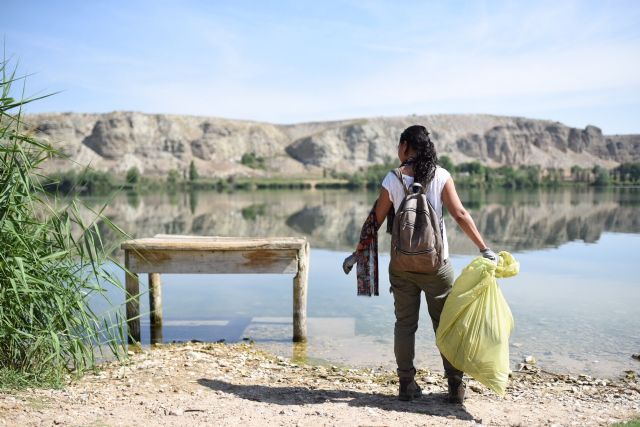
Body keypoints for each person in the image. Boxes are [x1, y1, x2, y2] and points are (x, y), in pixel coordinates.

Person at [355, 125, 497, 404]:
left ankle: (406, 385)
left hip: (402, 266)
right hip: (436, 266)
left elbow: (375, 220)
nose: (398, 151)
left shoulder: (393, 178)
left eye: (399, 146)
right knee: (446, 325)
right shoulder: (441, 176)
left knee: (404, 325)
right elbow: (459, 214)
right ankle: (455, 386)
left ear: (406, 146)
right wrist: (484, 248)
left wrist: (358, 252)